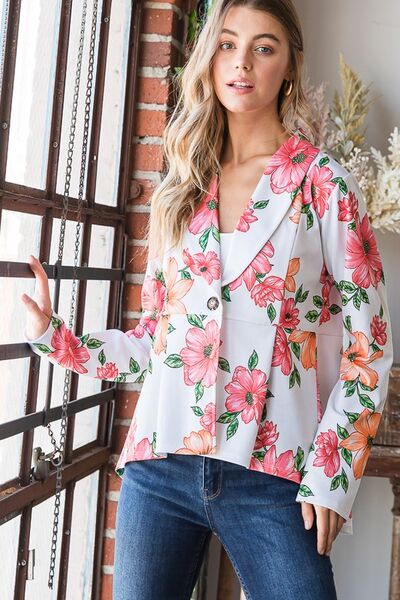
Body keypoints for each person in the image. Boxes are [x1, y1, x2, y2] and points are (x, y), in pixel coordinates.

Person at [22, 1, 393, 599]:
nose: (241, 62)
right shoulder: (182, 184)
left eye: (263, 47)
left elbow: (369, 348)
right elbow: (155, 343)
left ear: (289, 67)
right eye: (227, 44)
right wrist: (54, 337)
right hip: (160, 467)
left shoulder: (325, 184)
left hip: (274, 476)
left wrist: (332, 473)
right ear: (209, 59)